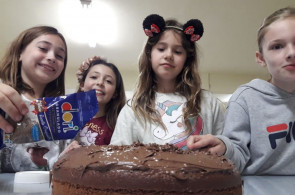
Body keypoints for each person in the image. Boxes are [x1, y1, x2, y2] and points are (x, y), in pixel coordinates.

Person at [187, 7, 295, 175]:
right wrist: (224, 148)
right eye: (277, 46)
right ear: (261, 59)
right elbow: (237, 155)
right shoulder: (246, 98)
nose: (291, 53)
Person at [110, 14, 224, 149]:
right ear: (149, 54)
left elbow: (227, 148)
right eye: (161, 49)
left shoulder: (208, 102)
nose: (168, 55)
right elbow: (117, 157)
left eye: (177, 51)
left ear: (187, 59)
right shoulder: (133, 109)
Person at [0, 26, 68, 172]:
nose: (51, 57)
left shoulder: (61, 111)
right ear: (20, 53)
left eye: (60, 56)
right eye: (43, 48)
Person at [60, 56, 126, 155]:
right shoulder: (64, 116)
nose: (100, 83)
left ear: (115, 93)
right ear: (82, 84)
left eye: (108, 81)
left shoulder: (118, 126)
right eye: (94, 77)